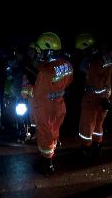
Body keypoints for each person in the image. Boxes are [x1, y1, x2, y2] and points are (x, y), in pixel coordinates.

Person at [32, 32, 73, 174]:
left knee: (44, 133)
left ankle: (47, 163)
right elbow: (68, 82)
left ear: (48, 51)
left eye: (40, 50)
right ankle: (50, 154)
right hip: (59, 104)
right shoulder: (67, 64)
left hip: (45, 107)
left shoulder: (45, 72)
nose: (38, 54)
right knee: (54, 131)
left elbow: (38, 94)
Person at [77, 34, 112, 157]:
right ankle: (97, 145)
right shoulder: (105, 57)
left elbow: (95, 83)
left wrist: (89, 91)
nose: (82, 53)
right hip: (105, 97)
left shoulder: (94, 61)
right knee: (99, 124)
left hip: (93, 99)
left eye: (83, 50)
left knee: (87, 124)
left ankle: (85, 148)